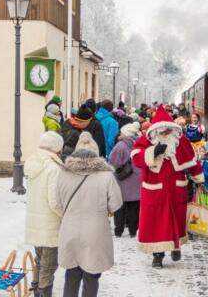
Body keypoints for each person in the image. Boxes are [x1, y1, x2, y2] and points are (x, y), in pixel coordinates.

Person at [131, 105, 204, 268]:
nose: (165, 134)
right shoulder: (146, 141)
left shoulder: (181, 142)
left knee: (176, 220)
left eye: (168, 131)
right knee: (155, 223)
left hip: (176, 190)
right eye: (162, 132)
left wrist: (198, 178)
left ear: (173, 130)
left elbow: (192, 160)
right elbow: (136, 159)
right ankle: (158, 255)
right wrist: (153, 152)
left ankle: (176, 246)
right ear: (156, 131)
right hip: (154, 190)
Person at [56, 132, 122, 297]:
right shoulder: (105, 175)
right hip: (95, 230)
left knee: (71, 275)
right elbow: (116, 203)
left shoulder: (63, 174)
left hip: (69, 229)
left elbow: (57, 203)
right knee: (92, 276)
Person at [24, 132, 64, 297]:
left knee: (40, 260)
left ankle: (37, 288)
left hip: (35, 221)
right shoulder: (53, 168)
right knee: (49, 264)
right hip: (50, 223)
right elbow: (54, 201)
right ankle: (43, 292)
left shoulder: (33, 163)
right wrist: (65, 214)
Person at [109, 122, 142, 238]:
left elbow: (113, 162)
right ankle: (133, 230)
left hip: (123, 181)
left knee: (120, 207)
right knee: (134, 207)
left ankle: (119, 230)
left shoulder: (120, 146)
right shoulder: (140, 144)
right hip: (137, 180)